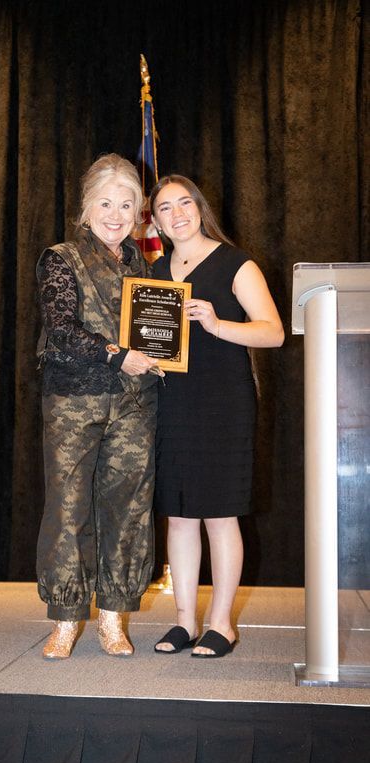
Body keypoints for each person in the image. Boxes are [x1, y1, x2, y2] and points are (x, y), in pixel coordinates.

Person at [149, 175, 284, 658]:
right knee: (179, 518)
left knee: (221, 516)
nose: (177, 213)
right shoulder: (157, 271)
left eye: (184, 203)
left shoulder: (236, 263)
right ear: (156, 220)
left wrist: (217, 324)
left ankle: (221, 624)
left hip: (223, 404)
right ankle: (184, 621)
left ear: (200, 208)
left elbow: (274, 333)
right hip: (172, 403)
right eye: (165, 208)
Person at [36, 153, 161, 659]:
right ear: (87, 209)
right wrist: (118, 355)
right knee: (68, 509)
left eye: (126, 204)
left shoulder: (147, 267)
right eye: (106, 203)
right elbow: (61, 332)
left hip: (135, 405)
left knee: (129, 508)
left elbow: (158, 338)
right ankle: (66, 618)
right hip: (73, 404)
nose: (116, 213)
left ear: (139, 215)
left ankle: (113, 616)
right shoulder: (60, 257)